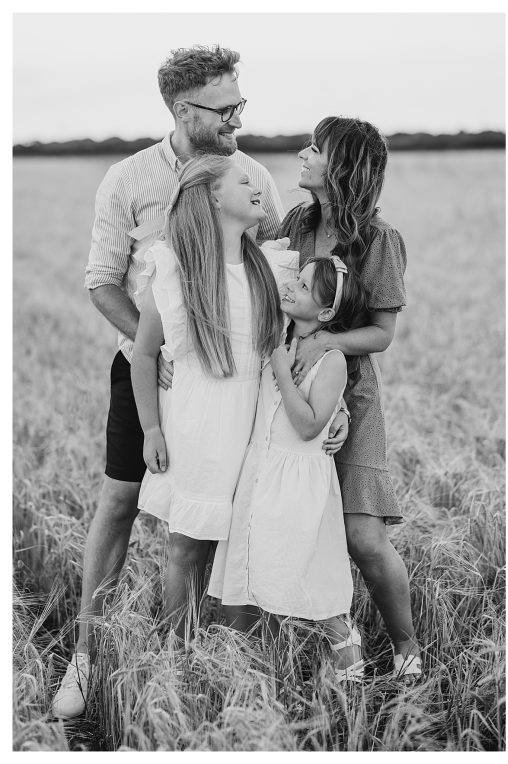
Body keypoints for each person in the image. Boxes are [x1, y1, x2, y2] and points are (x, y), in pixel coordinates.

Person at [54, 44, 283, 719]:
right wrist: (168, 350)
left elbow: (271, 268)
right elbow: (101, 283)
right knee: (121, 500)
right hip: (146, 370)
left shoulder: (252, 175)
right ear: (185, 111)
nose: (239, 116)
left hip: (232, 385)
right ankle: (87, 656)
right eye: (226, 107)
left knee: (225, 514)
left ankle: (209, 655)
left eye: (240, 102)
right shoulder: (127, 180)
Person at [275, 117, 421, 678]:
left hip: (351, 397)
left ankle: (406, 646)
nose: (302, 154)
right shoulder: (296, 225)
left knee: (363, 536)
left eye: (315, 148)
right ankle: (332, 636)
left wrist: (327, 342)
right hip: (290, 392)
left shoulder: (379, 240)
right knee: (295, 519)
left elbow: (382, 333)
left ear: (342, 166)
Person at [131, 154, 282, 644]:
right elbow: (144, 355)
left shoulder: (267, 269)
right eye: (245, 180)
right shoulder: (174, 268)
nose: (258, 187)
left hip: (252, 428)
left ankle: (231, 652)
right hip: (199, 427)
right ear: (214, 196)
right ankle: (175, 654)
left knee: (240, 544)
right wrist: (152, 428)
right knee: (187, 546)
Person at [208, 254, 371, 683]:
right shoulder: (281, 338)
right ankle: (251, 665)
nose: (290, 288)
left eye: (301, 287)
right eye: (294, 281)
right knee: (260, 569)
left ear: (326, 312)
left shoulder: (330, 358)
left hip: (299, 487)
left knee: (312, 574)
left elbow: (307, 425)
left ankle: (348, 660)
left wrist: (282, 372)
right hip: (262, 474)